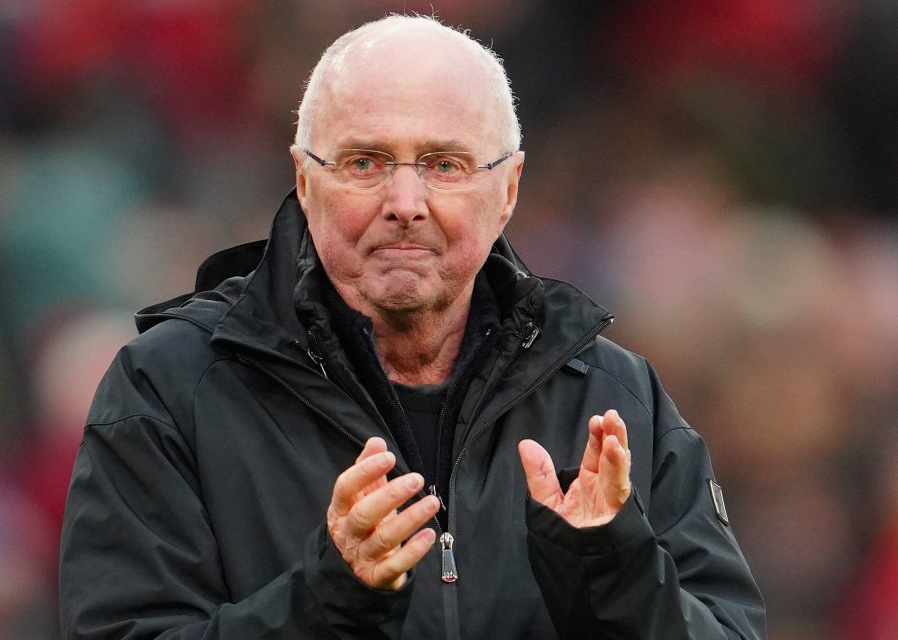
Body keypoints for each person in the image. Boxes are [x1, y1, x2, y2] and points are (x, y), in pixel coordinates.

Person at [58, 14, 766, 639]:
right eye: (366, 162)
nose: (406, 201)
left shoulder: (615, 396)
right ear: (305, 182)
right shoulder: (167, 389)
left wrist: (613, 570)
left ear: (508, 189)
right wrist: (328, 601)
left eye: (444, 164)